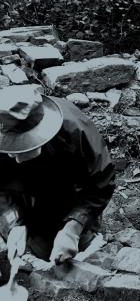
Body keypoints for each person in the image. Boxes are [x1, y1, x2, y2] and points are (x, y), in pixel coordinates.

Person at [0, 84, 115, 264]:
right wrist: (14, 223)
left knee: (76, 248)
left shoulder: (75, 130)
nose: (15, 158)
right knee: (37, 249)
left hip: (71, 190)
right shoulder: (2, 125)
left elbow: (101, 183)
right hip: (27, 197)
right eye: (9, 148)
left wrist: (74, 227)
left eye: (21, 148)